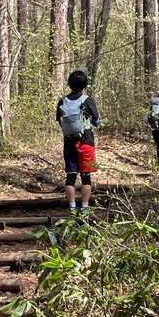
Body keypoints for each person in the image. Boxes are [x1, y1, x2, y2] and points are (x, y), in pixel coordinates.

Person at [56, 70, 101, 213]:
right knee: (86, 177)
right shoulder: (87, 100)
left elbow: (60, 122)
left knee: (70, 177)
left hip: (69, 142)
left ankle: (72, 208)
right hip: (86, 142)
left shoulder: (63, 101)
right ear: (85, 85)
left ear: (69, 84)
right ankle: (85, 209)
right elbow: (96, 122)